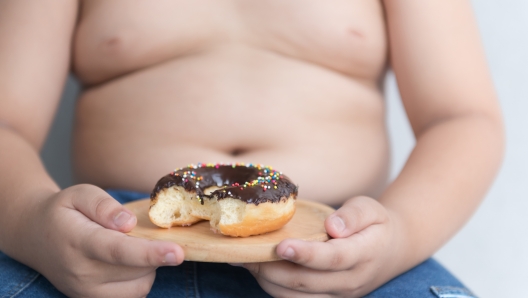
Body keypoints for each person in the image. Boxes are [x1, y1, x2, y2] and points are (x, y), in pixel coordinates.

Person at [0, 0, 503, 297]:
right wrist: (32, 223)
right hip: (104, 258)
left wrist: (400, 237)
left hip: (344, 260)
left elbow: (461, 119)